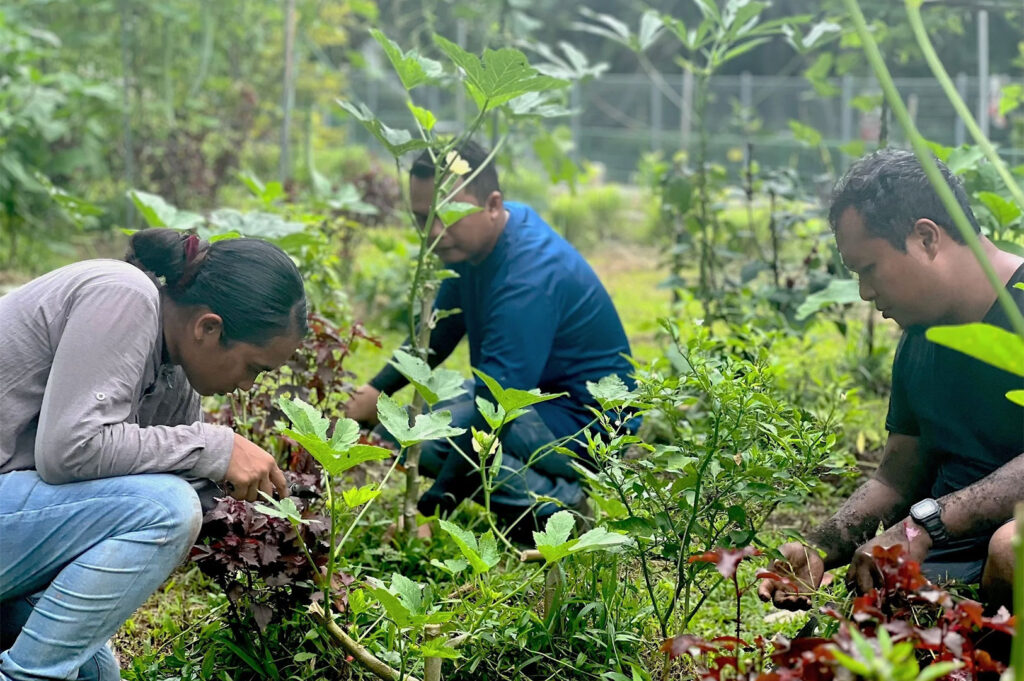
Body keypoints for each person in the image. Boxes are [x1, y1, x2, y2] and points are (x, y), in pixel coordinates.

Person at [0, 229, 306, 680]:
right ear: (208, 327)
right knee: (165, 510)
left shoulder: (173, 374)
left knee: (98, 675)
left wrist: (267, 525)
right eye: (254, 368)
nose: (247, 386)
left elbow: (138, 483)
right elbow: (70, 450)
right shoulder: (124, 294)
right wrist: (214, 446)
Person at [758, 149, 1024, 613]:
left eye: (870, 269)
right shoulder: (922, 332)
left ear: (925, 238)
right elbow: (897, 477)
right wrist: (819, 548)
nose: (864, 292)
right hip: (952, 558)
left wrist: (922, 526)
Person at [344, 140, 634, 540]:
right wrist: (375, 391)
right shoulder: (480, 242)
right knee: (404, 423)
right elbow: (438, 333)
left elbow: (495, 411)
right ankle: (544, 491)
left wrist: (430, 513)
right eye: (423, 218)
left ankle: (559, 507)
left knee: (440, 442)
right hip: (535, 399)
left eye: (449, 215)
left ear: (493, 204)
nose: (434, 232)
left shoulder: (526, 280)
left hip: (588, 425)